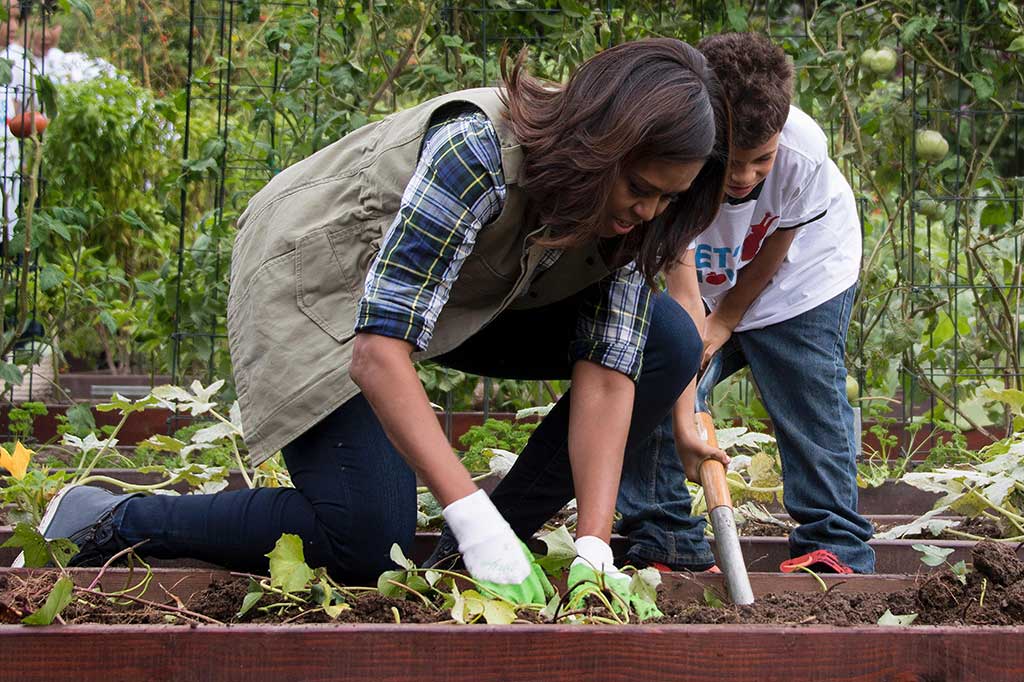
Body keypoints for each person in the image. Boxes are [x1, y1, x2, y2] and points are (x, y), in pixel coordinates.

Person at [25, 39, 731, 600]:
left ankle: (472, 556)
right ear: (600, 142)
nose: (647, 211)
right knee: (365, 542)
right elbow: (377, 350)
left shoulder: (636, 219)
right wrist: (466, 505)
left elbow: (610, 373)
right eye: (639, 188)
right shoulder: (478, 151)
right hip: (318, 279)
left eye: (666, 200)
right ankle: (109, 517)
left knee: (663, 339)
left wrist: (595, 548)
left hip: (454, 295)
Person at [620, 32, 875, 574]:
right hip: (699, 278)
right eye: (729, 160)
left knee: (808, 393)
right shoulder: (677, 149)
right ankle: (663, 538)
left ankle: (834, 543)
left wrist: (728, 319)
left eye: (761, 160)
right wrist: (690, 370)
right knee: (652, 370)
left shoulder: (804, 151)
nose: (742, 177)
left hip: (800, 278)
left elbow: (777, 247)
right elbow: (683, 291)